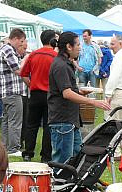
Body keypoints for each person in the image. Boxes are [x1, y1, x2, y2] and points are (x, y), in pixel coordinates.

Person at [47, 31, 110, 164]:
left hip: (70, 120)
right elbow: (66, 93)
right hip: (62, 120)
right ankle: (60, 183)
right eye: (77, 44)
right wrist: (93, 102)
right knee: (62, 162)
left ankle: (71, 183)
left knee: (76, 157)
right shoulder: (61, 65)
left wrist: (81, 93)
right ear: (69, 47)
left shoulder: (67, 63)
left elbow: (66, 91)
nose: (80, 47)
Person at [20, 30, 57, 163]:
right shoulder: (55, 56)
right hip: (49, 95)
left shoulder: (33, 55)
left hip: (35, 94)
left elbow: (23, 74)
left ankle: (28, 153)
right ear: (53, 40)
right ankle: (46, 156)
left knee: (31, 125)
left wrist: (31, 85)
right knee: (48, 126)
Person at [0, 28, 28, 156]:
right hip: (12, 91)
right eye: (21, 41)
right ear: (14, 39)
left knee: (7, 120)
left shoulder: (2, 49)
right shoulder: (8, 50)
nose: (22, 44)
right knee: (15, 121)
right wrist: (26, 59)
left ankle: (5, 147)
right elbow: (18, 70)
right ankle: (14, 149)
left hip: (4, 92)